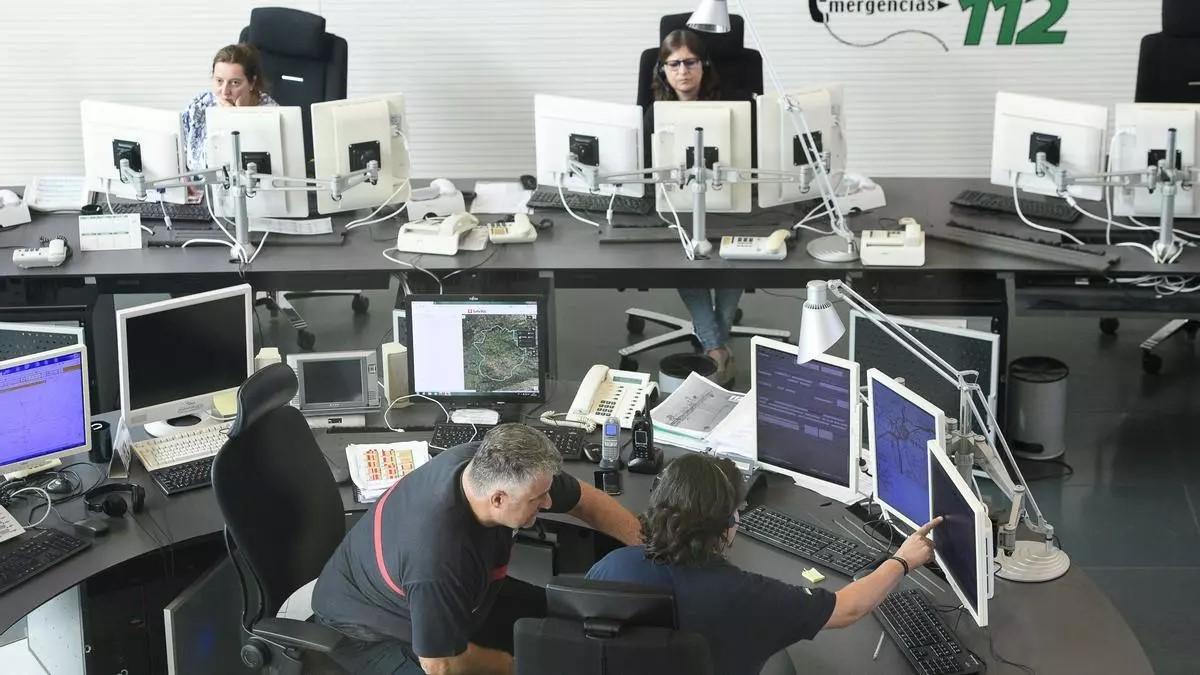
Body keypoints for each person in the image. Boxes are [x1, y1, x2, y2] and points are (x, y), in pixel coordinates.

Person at [312, 423, 643, 675]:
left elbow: (583, 500)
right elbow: (441, 664)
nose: (548, 503)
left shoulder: (491, 464)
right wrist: (515, 666)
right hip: (369, 634)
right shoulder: (437, 558)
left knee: (566, 620)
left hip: (461, 591)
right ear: (498, 499)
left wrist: (651, 548)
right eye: (537, 499)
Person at [587, 453, 942, 675]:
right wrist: (903, 560)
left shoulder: (610, 567)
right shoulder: (744, 595)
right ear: (725, 525)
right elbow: (848, 608)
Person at [649, 29, 743, 384]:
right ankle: (717, 348)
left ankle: (714, 344)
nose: (682, 71)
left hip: (727, 200)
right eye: (673, 64)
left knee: (734, 256)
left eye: (690, 63)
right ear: (662, 70)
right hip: (675, 205)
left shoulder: (733, 108)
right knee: (684, 256)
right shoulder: (655, 114)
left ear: (704, 66)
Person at [181, 43, 277, 173]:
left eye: (235, 83)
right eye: (219, 81)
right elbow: (179, 153)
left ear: (252, 83)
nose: (225, 91)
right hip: (196, 184)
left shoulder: (270, 113)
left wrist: (236, 118)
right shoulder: (199, 105)